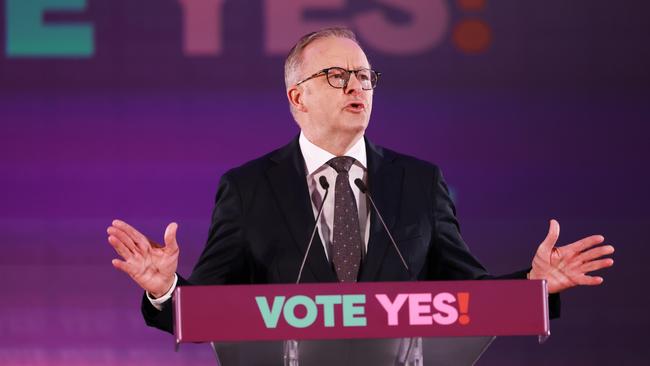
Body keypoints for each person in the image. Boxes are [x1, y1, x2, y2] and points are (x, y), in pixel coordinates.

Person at [106, 28, 615, 334]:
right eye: (336, 75)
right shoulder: (248, 188)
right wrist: (166, 290)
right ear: (297, 98)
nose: (356, 85)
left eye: (365, 76)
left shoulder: (418, 182)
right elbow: (206, 312)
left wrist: (535, 286)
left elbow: (467, 298)